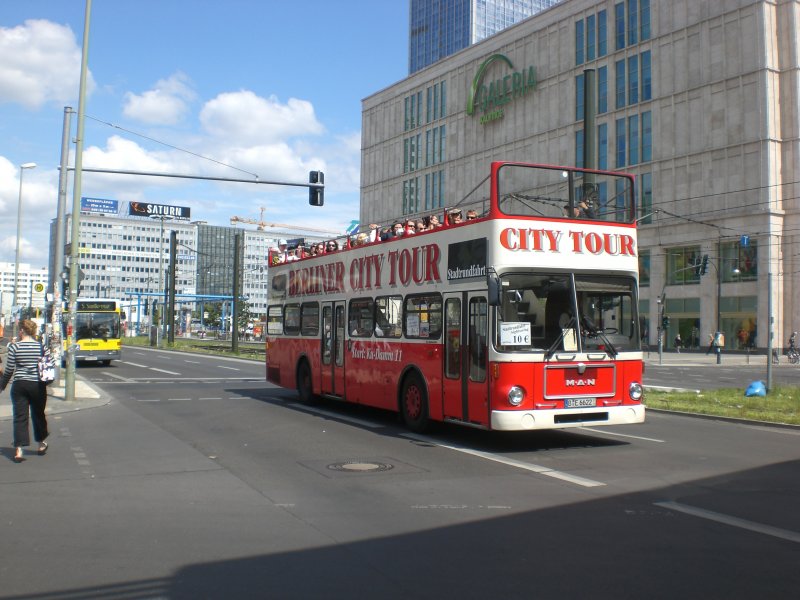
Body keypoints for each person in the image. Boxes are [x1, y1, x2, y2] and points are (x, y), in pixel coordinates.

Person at [0, 319, 50, 463]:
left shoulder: (15, 347)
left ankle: (19, 449)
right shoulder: (41, 347)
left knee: (20, 416)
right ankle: (41, 444)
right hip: (37, 385)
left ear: (22, 331)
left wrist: (2, 385)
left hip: (20, 385)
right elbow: (49, 364)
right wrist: (46, 382)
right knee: (38, 414)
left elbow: (9, 369)